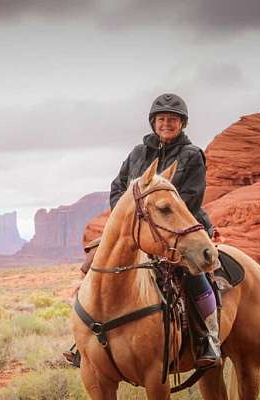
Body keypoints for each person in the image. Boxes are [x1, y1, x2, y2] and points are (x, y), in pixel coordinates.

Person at [65, 93, 221, 370]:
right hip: (138, 227)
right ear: (153, 123)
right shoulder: (138, 153)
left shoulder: (191, 155)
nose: (166, 124)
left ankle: (206, 336)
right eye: (161, 119)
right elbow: (118, 188)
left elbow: (191, 198)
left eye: (172, 120)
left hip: (180, 229)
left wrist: (161, 219)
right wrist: (129, 215)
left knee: (195, 275)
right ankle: (84, 340)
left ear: (182, 124)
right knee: (93, 266)